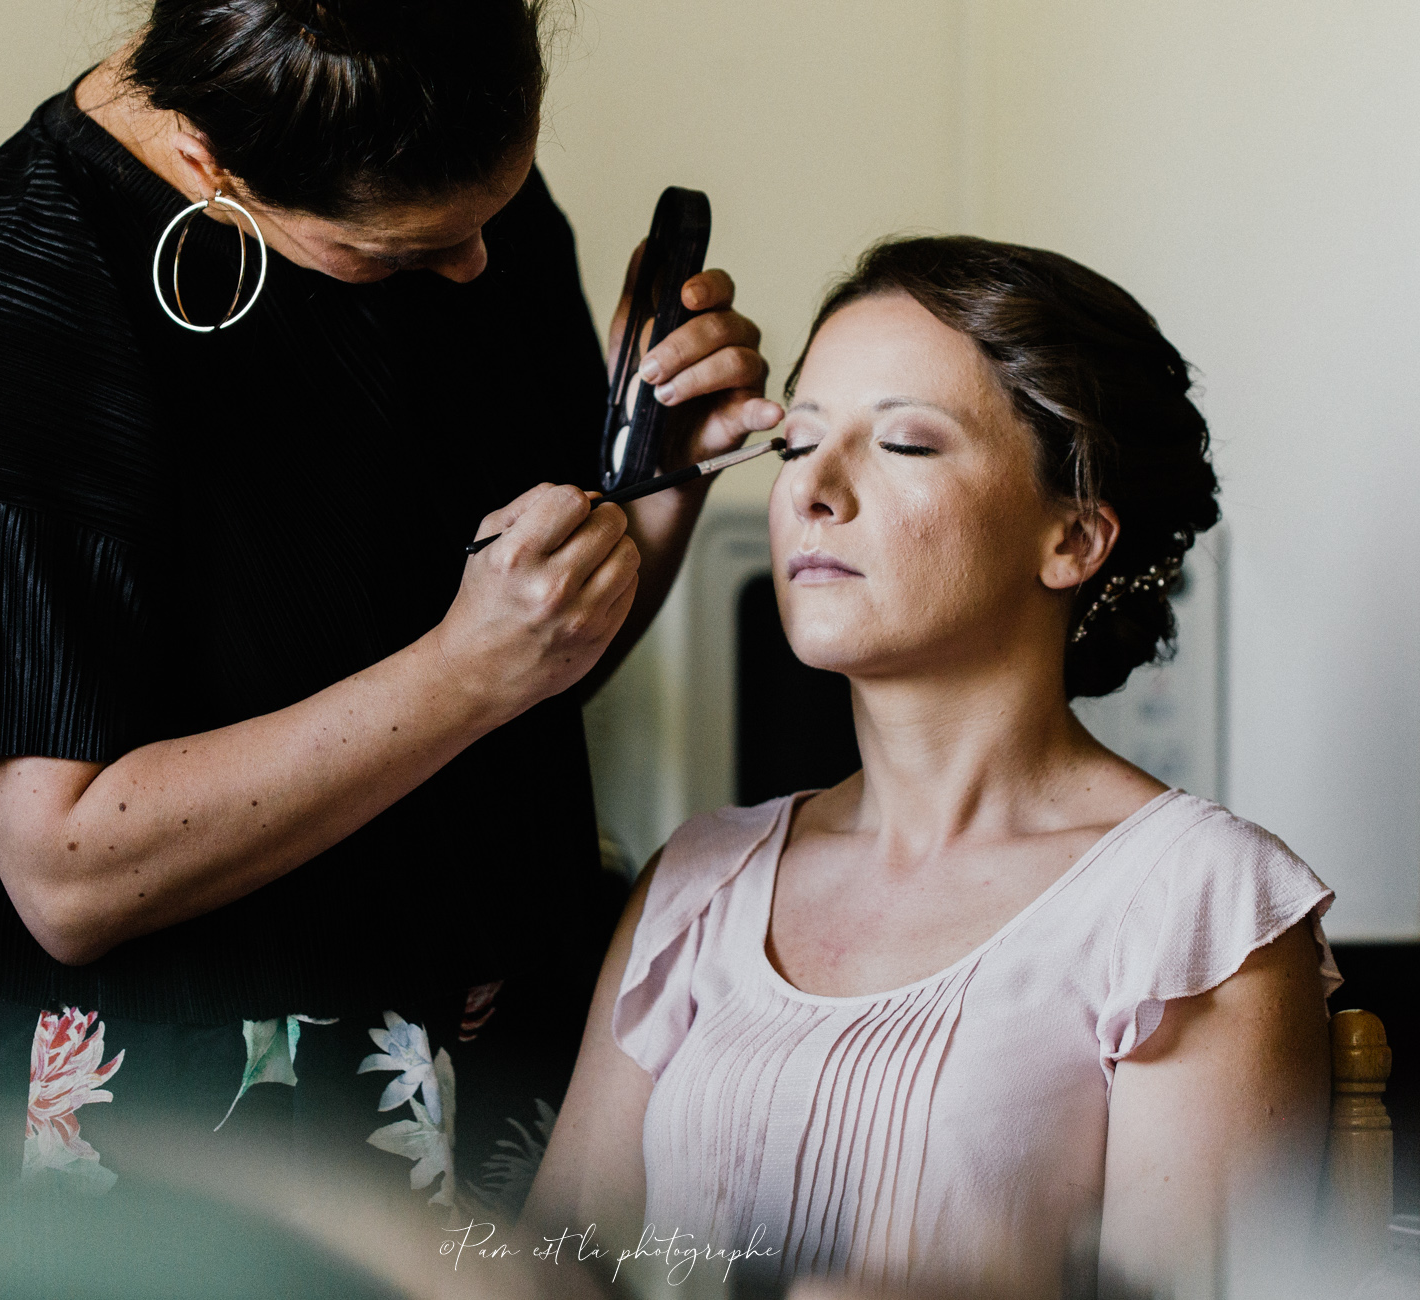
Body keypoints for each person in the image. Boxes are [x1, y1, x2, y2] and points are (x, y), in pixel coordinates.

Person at [0, 0, 781, 1211]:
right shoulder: (2, 323)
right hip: (181, 1128)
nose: (475, 269)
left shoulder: (447, 177)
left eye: (500, 206)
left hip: (503, 1066)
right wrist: (464, 668)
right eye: (401, 255)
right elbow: (70, 872)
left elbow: (531, 668)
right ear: (206, 165)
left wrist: (658, 487)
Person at [526, 236, 1340, 1296]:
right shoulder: (701, 880)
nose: (813, 489)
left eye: (904, 443)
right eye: (793, 444)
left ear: (1074, 536)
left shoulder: (1194, 907)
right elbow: (549, 1273)